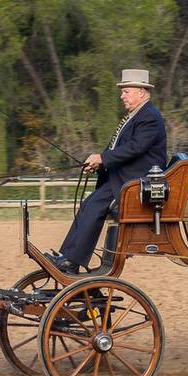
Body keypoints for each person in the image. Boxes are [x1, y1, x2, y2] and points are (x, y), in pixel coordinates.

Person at [46, 69, 167, 274]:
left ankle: (71, 261)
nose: (122, 96)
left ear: (142, 92)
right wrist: (98, 162)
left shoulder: (150, 117)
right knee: (89, 204)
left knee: (93, 205)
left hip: (136, 181)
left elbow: (135, 148)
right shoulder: (136, 115)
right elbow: (116, 147)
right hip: (124, 177)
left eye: (126, 91)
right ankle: (67, 257)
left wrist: (102, 158)